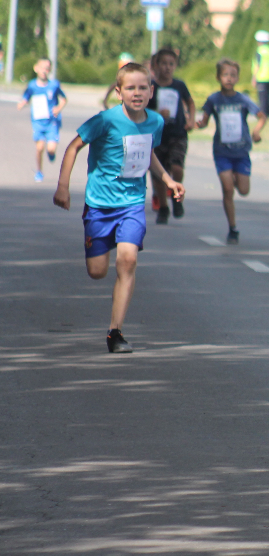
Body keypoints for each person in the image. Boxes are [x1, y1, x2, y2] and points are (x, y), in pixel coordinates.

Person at [52, 62, 185, 353]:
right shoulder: (105, 120)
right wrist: (63, 186)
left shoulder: (155, 122)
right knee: (97, 271)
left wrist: (167, 179)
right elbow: (74, 146)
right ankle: (104, 242)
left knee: (128, 261)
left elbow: (147, 152)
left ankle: (115, 332)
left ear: (151, 91)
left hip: (132, 204)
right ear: (118, 91)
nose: (137, 93)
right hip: (100, 205)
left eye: (142, 87)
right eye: (130, 88)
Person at [196, 58, 266, 244]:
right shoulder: (214, 100)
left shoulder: (242, 99)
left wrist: (257, 131)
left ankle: (236, 177)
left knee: (243, 190)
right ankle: (233, 228)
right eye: (225, 75)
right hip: (222, 152)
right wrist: (198, 124)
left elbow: (261, 116)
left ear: (237, 78)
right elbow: (204, 120)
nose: (229, 78)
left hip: (241, 151)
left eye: (233, 75)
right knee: (228, 190)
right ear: (218, 77)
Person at [148, 48, 195, 223]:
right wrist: (156, 112)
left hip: (178, 133)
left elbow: (190, 102)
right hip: (158, 135)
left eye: (171, 64)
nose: (167, 68)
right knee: (159, 174)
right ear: (156, 65)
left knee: (176, 167)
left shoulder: (179, 86)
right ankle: (163, 207)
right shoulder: (151, 87)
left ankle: (176, 196)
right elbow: (142, 108)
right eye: (163, 64)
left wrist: (190, 120)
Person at [17, 58, 67, 182]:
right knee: (39, 148)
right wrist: (22, 103)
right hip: (38, 121)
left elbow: (64, 99)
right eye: (42, 67)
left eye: (47, 68)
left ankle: (51, 154)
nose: (44, 70)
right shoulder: (32, 85)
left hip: (52, 122)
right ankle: (39, 171)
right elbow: (26, 97)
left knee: (50, 148)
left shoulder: (54, 85)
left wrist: (59, 108)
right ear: (36, 68)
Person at [251, 30, 269, 117]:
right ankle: (268, 113)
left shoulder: (260, 51)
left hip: (261, 77)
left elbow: (257, 65)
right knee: (267, 96)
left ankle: (263, 114)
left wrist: (254, 78)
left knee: (262, 98)